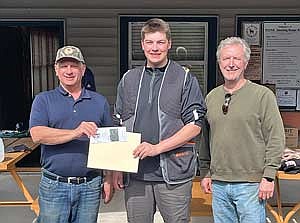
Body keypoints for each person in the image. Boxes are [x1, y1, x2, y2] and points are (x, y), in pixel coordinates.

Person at [112, 18, 206, 223]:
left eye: (160, 42)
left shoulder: (184, 78)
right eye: (150, 42)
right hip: (136, 176)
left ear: (169, 44)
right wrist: (117, 167)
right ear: (143, 45)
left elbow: (194, 126)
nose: (155, 48)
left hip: (173, 175)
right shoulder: (129, 79)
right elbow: (119, 124)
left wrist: (156, 148)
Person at [199, 37, 285, 223]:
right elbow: (206, 139)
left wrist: (269, 177)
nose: (231, 64)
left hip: (251, 184)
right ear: (219, 62)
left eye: (236, 59)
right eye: (226, 59)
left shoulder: (262, 96)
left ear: (245, 63)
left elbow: (276, 138)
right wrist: (205, 171)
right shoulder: (211, 97)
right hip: (219, 183)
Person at [29, 45, 114, 223]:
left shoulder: (99, 102)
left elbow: (110, 144)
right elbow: (37, 134)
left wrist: (108, 178)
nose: (69, 71)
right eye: (63, 66)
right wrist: (76, 132)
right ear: (56, 70)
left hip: (90, 185)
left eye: (74, 66)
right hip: (54, 185)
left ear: (83, 69)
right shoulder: (44, 100)